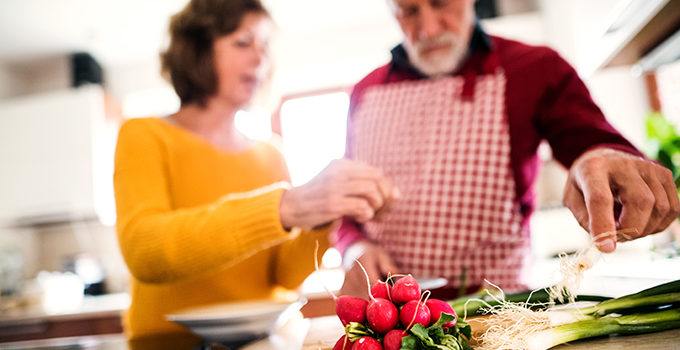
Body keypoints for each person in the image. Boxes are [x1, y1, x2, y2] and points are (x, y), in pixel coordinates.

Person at [336, 0, 680, 298]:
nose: (427, 29)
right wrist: (355, 247)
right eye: (409, 11)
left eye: (441, 3)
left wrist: (602, 160)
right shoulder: (364, 92)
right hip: (388, 315)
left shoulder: (534, 68)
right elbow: (347, 208)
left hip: (496, 312)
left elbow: (592, 144)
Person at [113, 0, 397, 339]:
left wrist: (322, 218)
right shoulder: (144, 134)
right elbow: (146, 251)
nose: (261, 58)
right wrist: (288, 206)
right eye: (243, 42)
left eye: (264, 46)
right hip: (168, 342)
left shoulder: (270, 153)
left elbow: (283, 276)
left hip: (265, 339)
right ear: (197, 50)